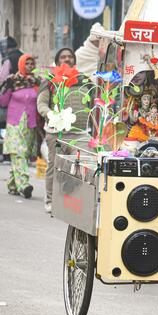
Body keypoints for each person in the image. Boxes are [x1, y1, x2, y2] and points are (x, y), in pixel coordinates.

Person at [37, 47, 90, 214]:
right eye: (63, 57)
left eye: (70, 57)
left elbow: (92, 104)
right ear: (58, 60)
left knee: (80, 167)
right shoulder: (51, 80)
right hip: (56, 133)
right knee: (54, 166)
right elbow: (41, 104)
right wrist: (51, 114)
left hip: (79, 133)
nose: (66, 59)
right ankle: (51, 200)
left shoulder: (83, 79)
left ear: (74, 60)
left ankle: (73, 202)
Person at [0, 54, 39, 198]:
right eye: (26, 63)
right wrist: (7, 87)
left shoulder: (37, 83)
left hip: (30, 125)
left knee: (22, 155)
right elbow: (3, 102)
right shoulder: (13, 81)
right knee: (19, 153)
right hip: (14, 123)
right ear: (21, 65)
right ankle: (24, 185)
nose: (29, 66)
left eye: (31, 63)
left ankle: (12, 185)